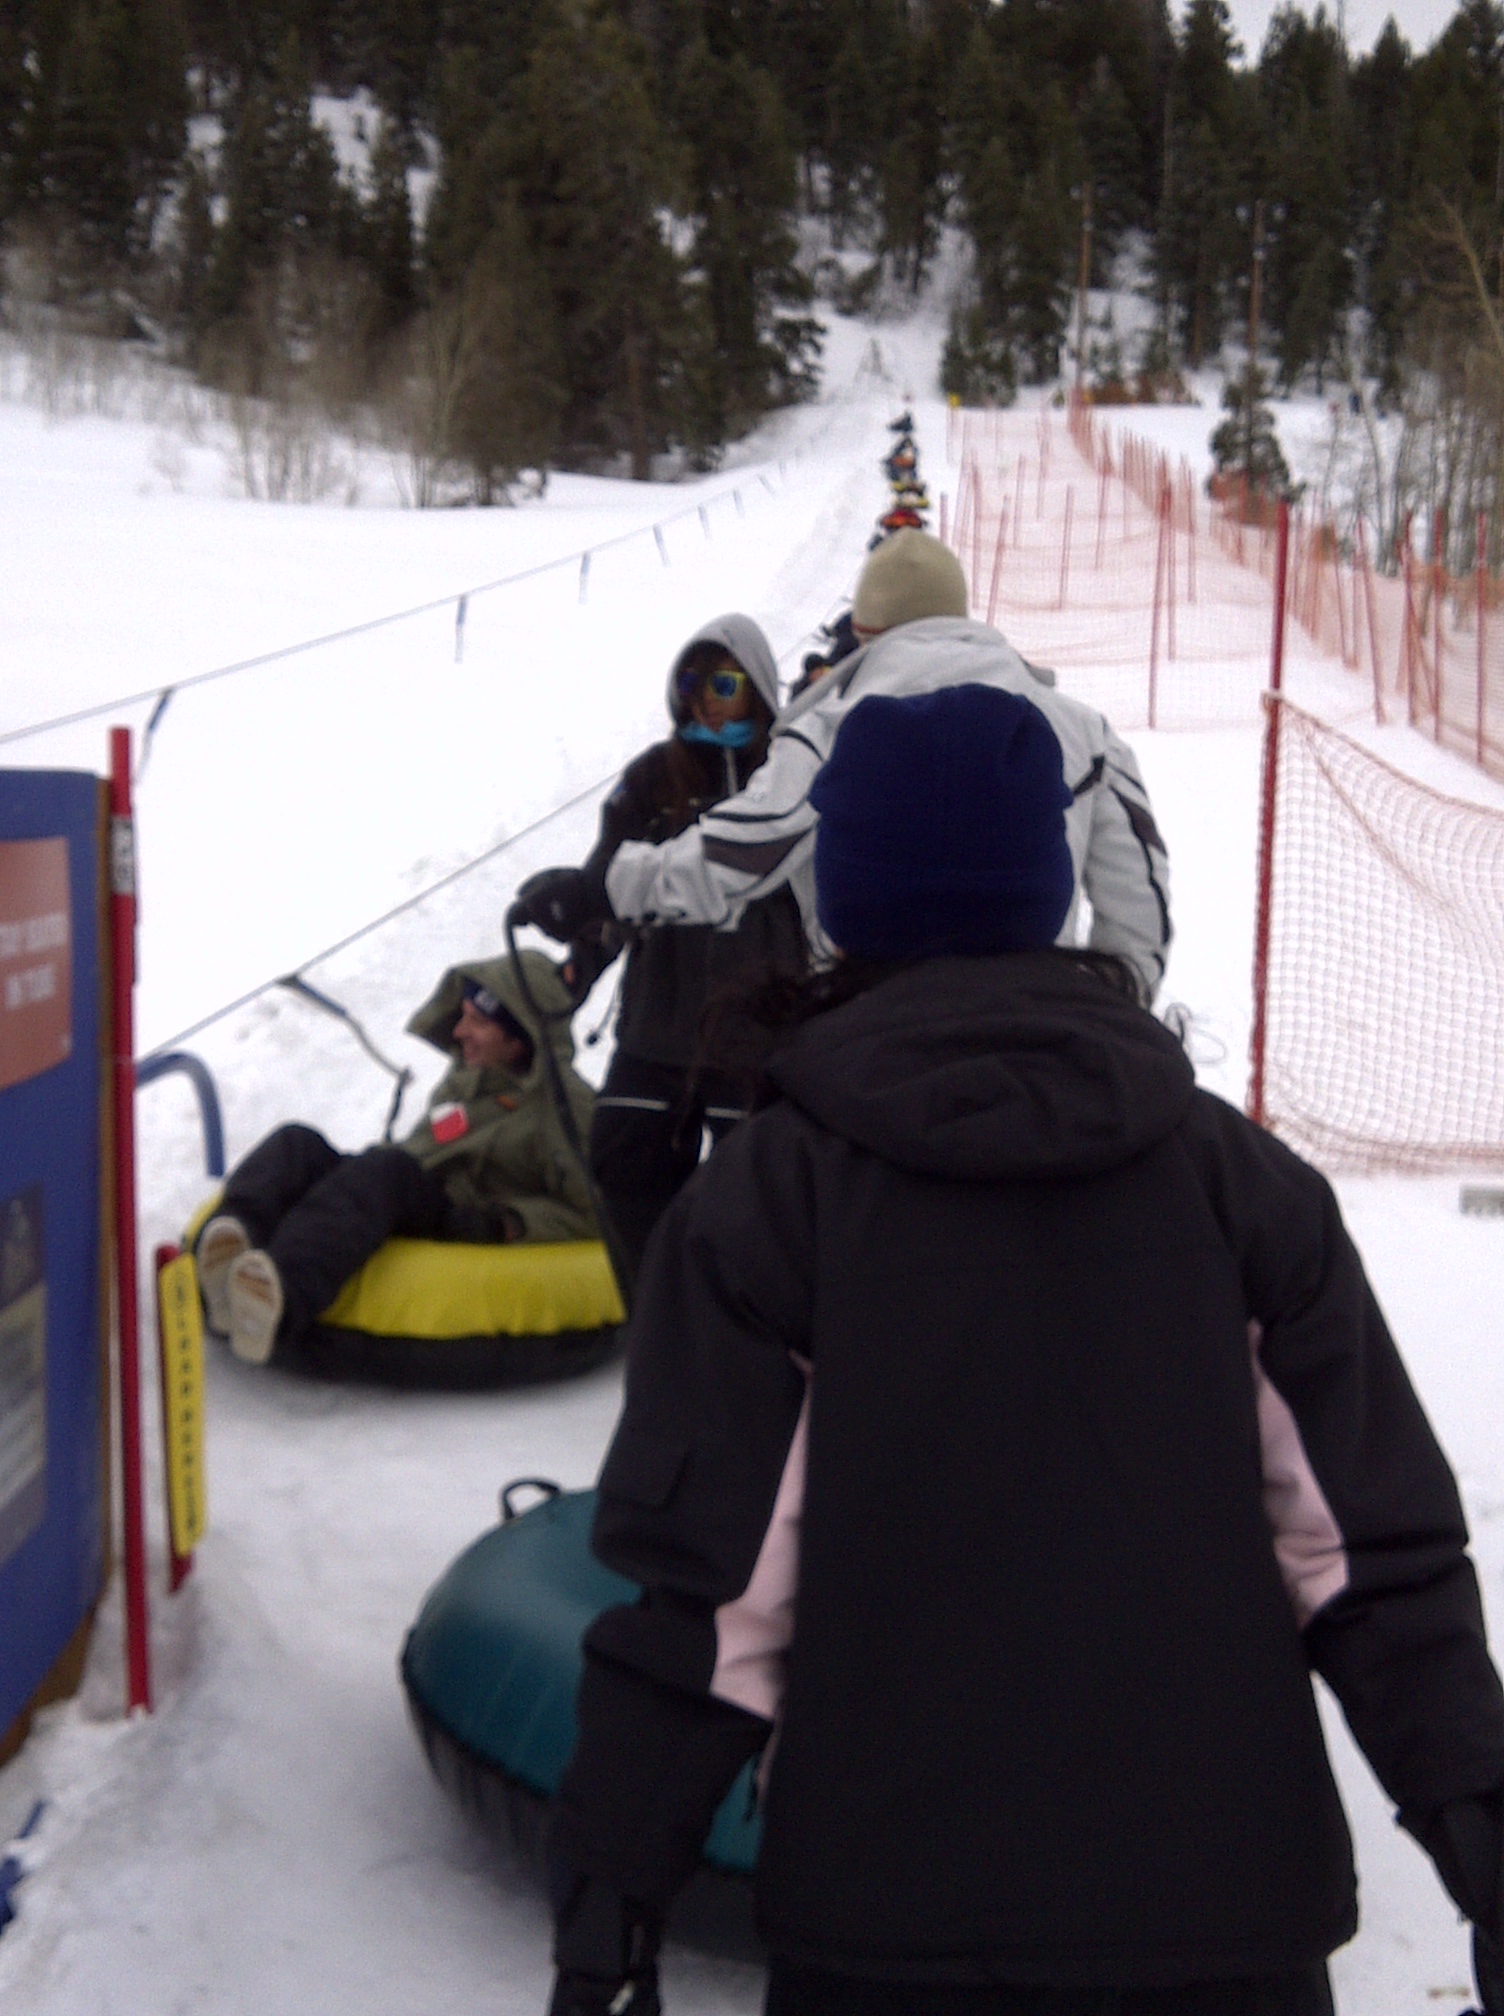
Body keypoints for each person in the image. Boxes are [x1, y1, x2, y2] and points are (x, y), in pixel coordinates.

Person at [542, 684, 1504, 2016]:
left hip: (891, 1922)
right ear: (1048, 891)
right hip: (1220, 1918)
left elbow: (714, 1603)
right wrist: (1478, 1830)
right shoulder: (1238, 1183)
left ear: (842, 902)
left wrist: (609, 1909)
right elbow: (1365, 1554)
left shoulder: (766, 1203)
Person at [513, 528, 1173, 1005]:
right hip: (1036, 1026)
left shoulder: (832, 729)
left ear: (863, 633)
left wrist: (610, 888)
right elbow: (1139, 894)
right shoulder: (1085, 733)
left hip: (870, 1036)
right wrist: (1109, 1008)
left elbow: (746, 847)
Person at [196, 952, 597, 1365]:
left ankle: (279, 1301)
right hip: (411, 1184)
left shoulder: (566, 1111)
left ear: (520, 1038)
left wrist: (509, 1222)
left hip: (461, 1214)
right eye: (462, 1015)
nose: (459, 1031)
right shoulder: (473, 1075)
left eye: (478, 1021)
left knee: (387, 1171)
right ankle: (226, 1258)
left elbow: (596, 1212)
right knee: (297, 1145)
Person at [566, 615, 806, 1281]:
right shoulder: (653, 778)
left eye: (724, 684)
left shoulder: (787, 776)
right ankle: (652, 1305)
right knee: (624, 1166)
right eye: (691, 684)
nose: (705, 700)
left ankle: (738, 1314)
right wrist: (581, 963)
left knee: (753, 1199)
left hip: (756, 1034)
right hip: (658, 1027)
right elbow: (609, 884)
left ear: (759, 687)